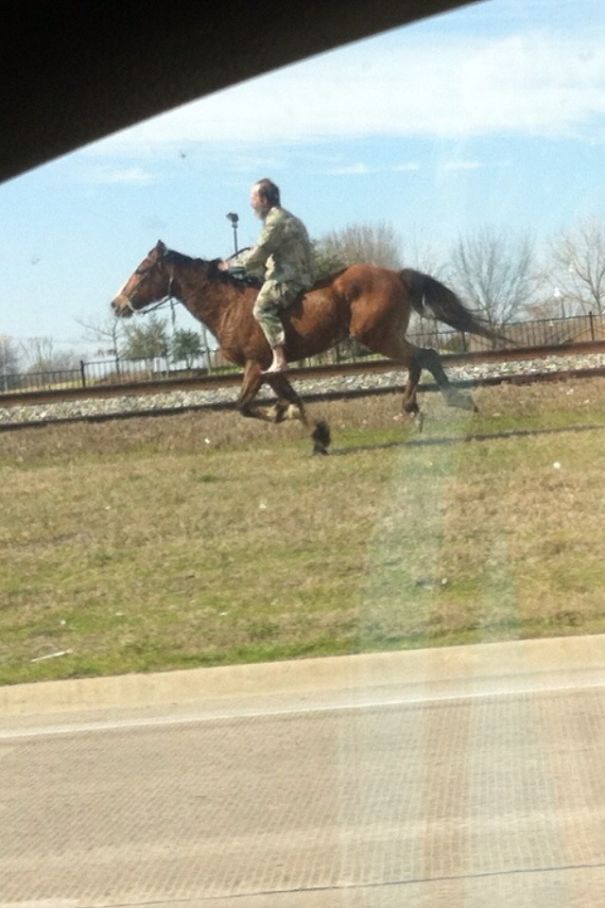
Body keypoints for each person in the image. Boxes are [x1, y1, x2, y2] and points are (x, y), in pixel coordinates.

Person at [218, 178, 315, 373]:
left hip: (291, 277)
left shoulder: (275, 222)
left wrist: (231, 266)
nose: (250, 203)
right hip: (297, 271)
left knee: (261, 308)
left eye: (252, 197)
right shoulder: (285, 217)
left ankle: (279, 358)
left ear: (263, 200)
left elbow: (261, 252)